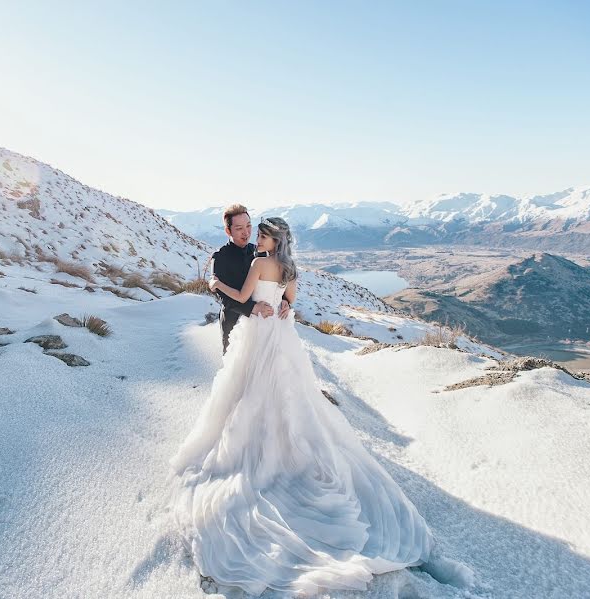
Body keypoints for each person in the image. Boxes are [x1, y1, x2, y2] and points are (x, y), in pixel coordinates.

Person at [169, 217, 433, 596]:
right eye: (254, 233)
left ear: (273, 241)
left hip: (258, 336)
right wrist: (279, 306)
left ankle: (259, 448)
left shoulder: (260, 262)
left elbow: (243, 299)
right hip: (282, 337)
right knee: (289, 395)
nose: (256, 239)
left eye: (260, 235)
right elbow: (289, 302)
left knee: (251, 393)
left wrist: (215, 284)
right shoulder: (290, 269)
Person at [211, 204, 289, 354]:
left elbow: (274, 278)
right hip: (233, 323)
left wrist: (285, 299)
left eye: (248, 226)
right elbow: (223, 297)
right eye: (239, 228)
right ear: (228, 231)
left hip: (262, 323)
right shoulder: (220, 257)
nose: (246, 232)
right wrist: (252, 308)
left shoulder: (260, 251)